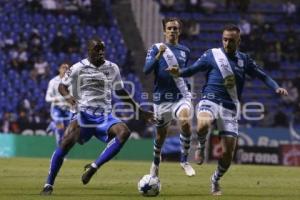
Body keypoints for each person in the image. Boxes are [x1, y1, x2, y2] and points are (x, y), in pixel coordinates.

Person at [166, 24, 288, 195]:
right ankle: (201, 145)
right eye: (224, 39)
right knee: (202, 125)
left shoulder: (244, 60)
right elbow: (193, 70)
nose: (227, 43)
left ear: (239, 41)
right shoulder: (211, 54)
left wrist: (276, 87)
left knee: (228, 153)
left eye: (231, 40)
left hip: (230, 108)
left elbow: (263, 75)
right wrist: (178, 72)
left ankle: (215, 179)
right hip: (210, 99)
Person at [40, 38, 154, 195]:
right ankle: (48, 184)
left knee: (124, 132)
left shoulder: (112, 68)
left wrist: (139, 110)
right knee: (65, 142)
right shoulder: (77, 68)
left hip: (104, 116)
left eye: (102, 49)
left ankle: (94, 167)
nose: (100, 52)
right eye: (97, 49)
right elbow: (61, 86)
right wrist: (67, 97)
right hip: (83, 114)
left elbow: (120, 91)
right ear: (89, 51)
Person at [144, 18, 195, 177]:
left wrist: (179, 73)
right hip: (162, 99)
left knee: (185, 122)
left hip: (181, 95)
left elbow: (186, 72)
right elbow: (146, 70)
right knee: (160, 136)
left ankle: (184, 161)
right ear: (164, 31)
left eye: (175, 28)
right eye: (169, 28)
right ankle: (155, 163)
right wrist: (159, 56)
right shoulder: (155, 48)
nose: (172, 31)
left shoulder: (185, 51)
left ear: (179, 31)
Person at [45, 63, 73, 146]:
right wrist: (55, 99)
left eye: (67, 68)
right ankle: (60, 151)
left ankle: (52, 125)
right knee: (60, 128)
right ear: (59, 69)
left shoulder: (71, 82)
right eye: (63, 68)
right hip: (57, 108)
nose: (65, 69)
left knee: (68, 131)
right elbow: (47, 98)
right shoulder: (53, 82)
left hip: (68, 108)